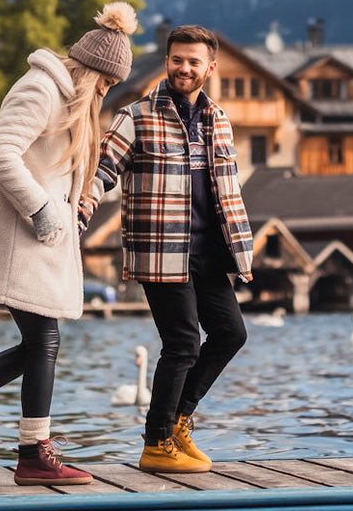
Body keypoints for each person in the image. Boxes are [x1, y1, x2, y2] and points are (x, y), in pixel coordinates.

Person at [0, 2, 137, 485]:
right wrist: (42, 208)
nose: (104, 92)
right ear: (93, 70)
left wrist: (74, 202)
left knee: (42, 342)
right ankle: (30, 452)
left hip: (40, 235)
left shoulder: (66, 103)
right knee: (44, 341)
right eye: (106, 83)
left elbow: (47, 165)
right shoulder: (42, 89)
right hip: (23, 233)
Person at [85, 24, 254, 474]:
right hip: (161, 249)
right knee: (182, 343)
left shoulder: (218, 119)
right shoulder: (134, 116)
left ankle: (179, 419)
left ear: (209, 68)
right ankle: (156, 442)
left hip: (211, 252)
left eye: (194, 61)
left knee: (231, 334)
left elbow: (229, 189)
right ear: (166, 62)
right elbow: (102, 172)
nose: (184, 68)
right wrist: (79, 212)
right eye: (177, 59)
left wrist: (242, 252)